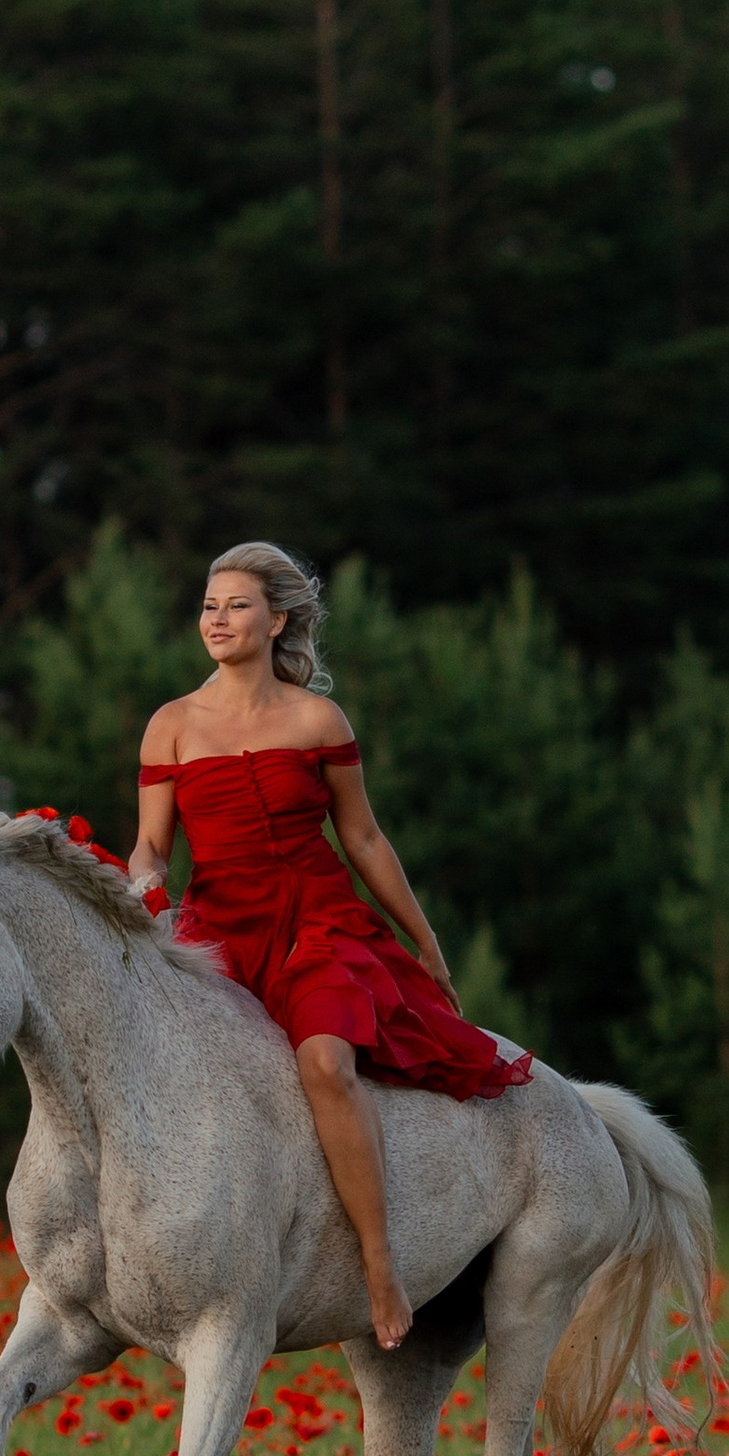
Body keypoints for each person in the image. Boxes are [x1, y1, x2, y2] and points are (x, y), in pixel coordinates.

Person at [129, 542, 531, 1352]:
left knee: (323, 1061)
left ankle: (382, 1263)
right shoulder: (170, 725)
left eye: (236, 605)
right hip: (218, 931)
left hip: (316, 921)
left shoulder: (318, 719)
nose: (217, 619)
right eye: (209, 605)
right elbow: (149, 846)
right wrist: (143, 901)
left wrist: (426, 943)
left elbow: (365, 839)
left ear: (276, 619)